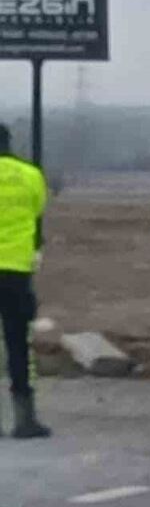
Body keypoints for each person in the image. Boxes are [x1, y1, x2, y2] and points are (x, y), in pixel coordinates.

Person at [0, 123, 52, 438]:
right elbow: (37, 210)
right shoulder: (30, 175)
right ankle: (25, 418)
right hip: (16, 271)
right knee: (19, 343)